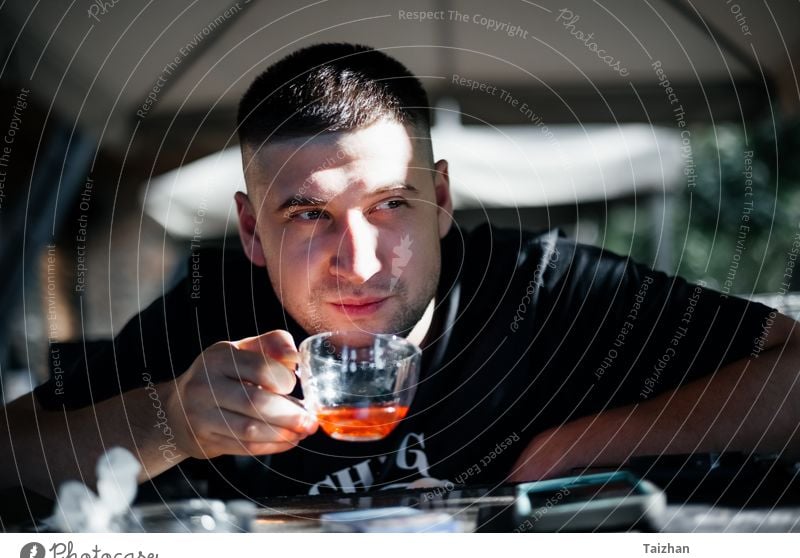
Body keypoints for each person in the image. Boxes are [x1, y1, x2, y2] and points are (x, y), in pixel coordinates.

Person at [2, 43, 798, 503]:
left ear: (442, 200)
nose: (361, 259)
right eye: (307, 215)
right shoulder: (214, 310)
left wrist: (585, 441)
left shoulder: (540, 290)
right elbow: (14, 451)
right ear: (250, 230)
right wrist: (168, 424)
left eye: (390, 204)